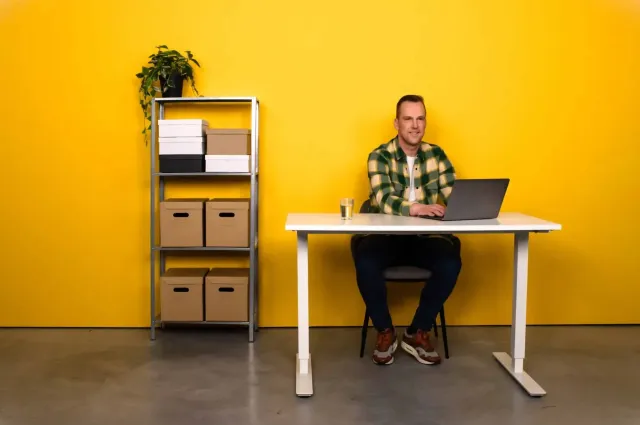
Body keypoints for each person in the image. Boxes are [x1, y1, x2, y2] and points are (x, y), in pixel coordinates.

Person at [353, 94, 462, 366]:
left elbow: (453, 195)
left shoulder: (437, 155)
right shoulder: (379, 156)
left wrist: (463, 206)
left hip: (423, 240)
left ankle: (417, 332)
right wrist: (418, 208)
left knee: (451, 261)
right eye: (408, 119)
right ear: (396, 123)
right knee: (365, 258)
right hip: (386, 239)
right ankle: (385, 331)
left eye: (420, 118)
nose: (415, 125)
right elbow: (383, 198)